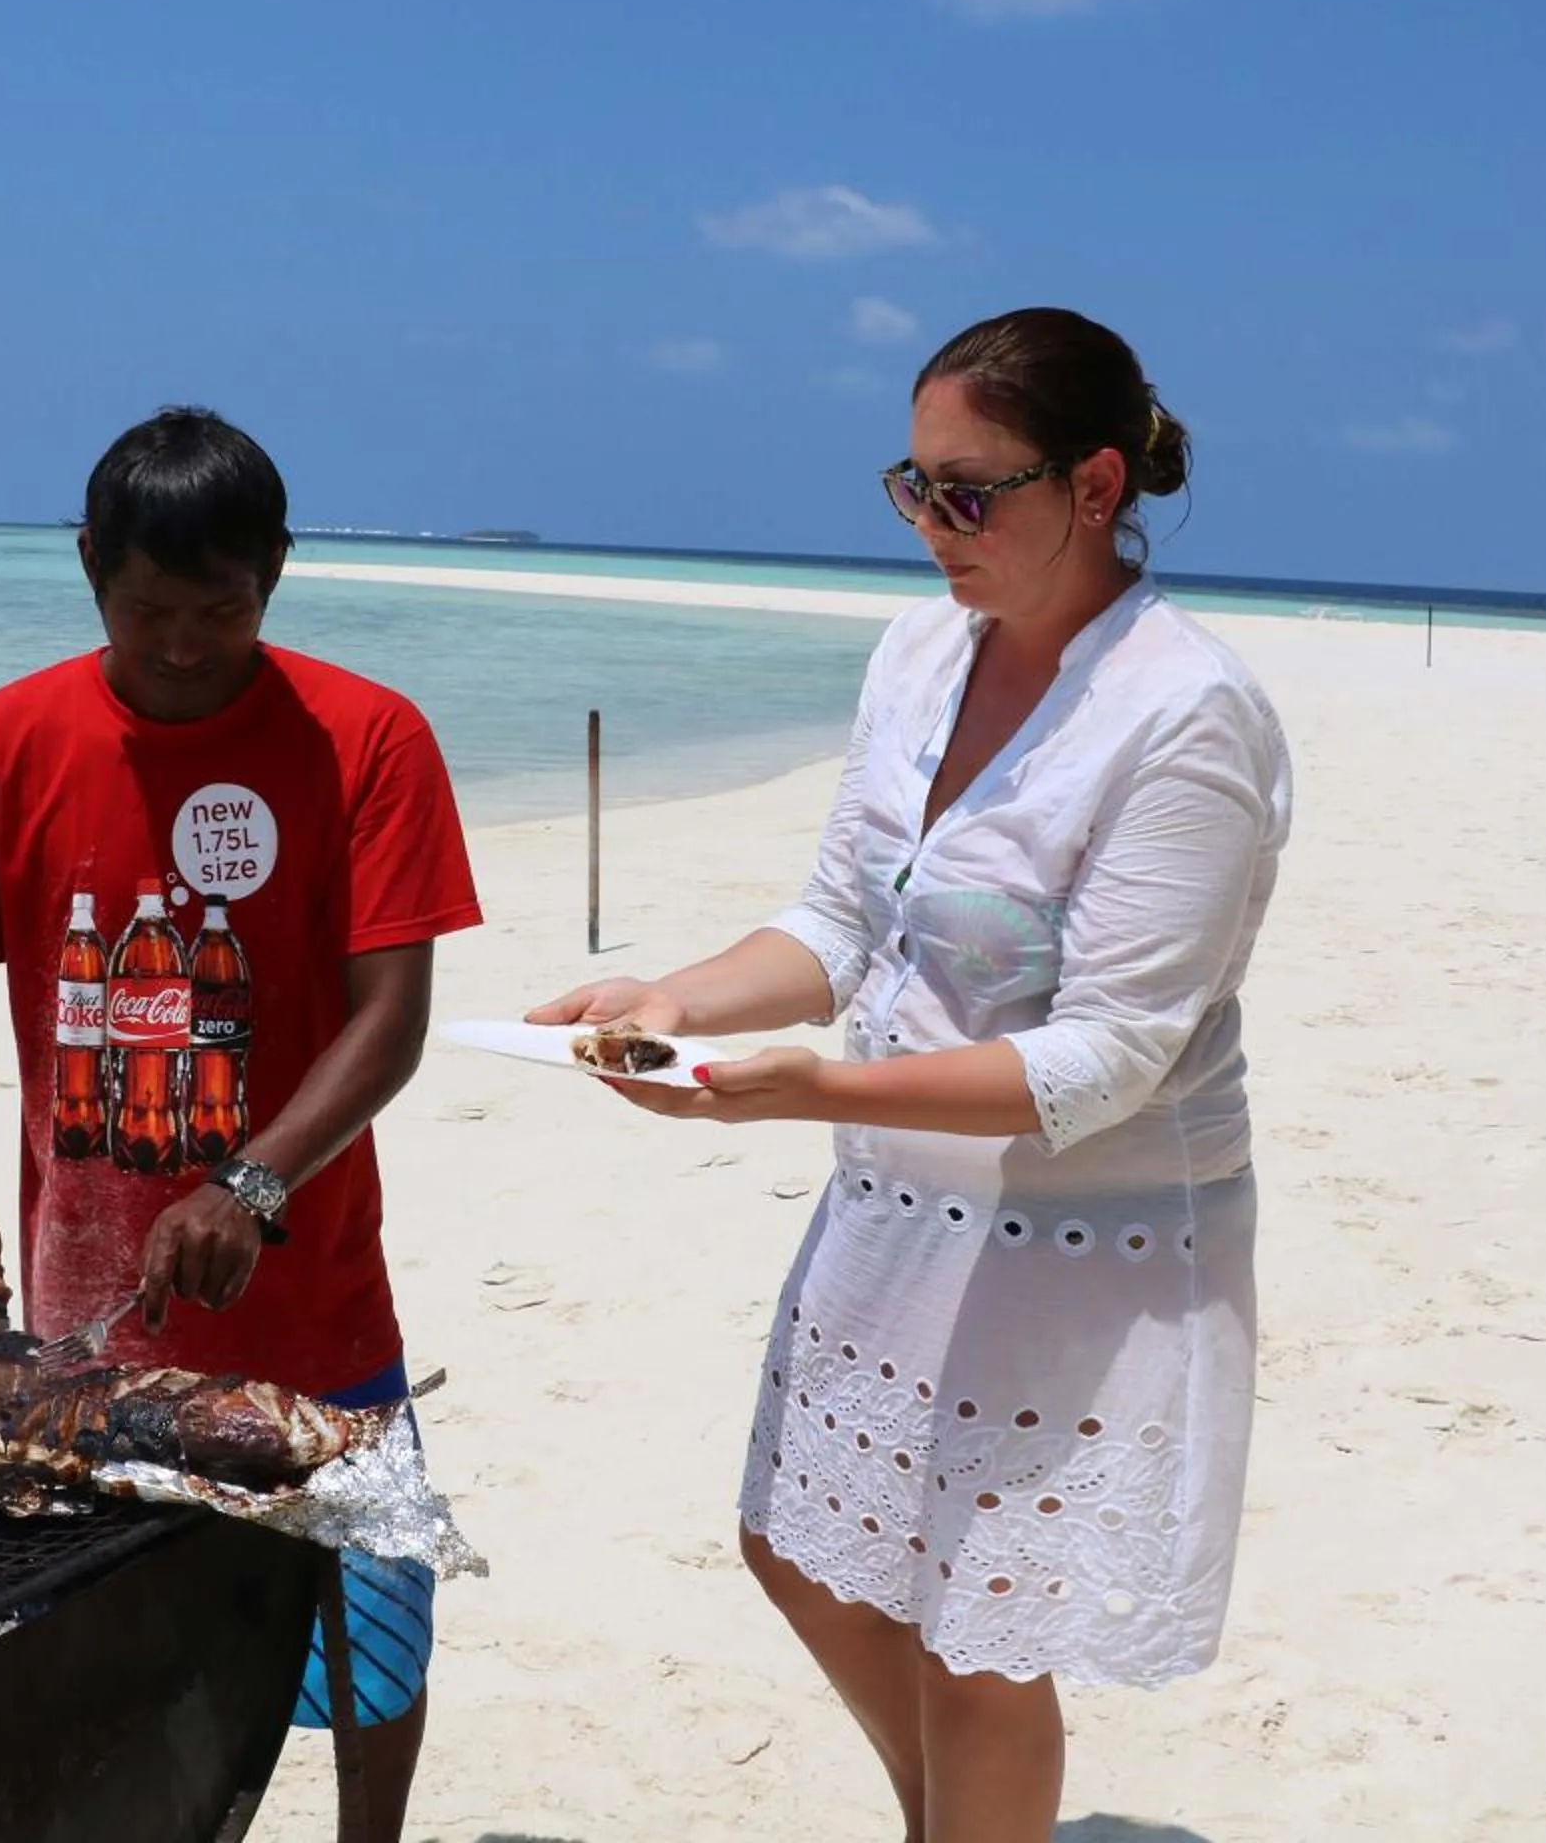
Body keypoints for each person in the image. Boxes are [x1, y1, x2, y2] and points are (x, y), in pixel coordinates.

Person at [531, 309, 1291, 1843]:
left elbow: (1108, 1059)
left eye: (969, 490)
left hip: (1083, 1236)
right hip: (896, 1204)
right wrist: (669, 997)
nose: (933, 524)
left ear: (1092, 486)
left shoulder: (1186, 714)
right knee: (805, 1550)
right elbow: (841, 917)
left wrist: (807, 1087)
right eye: (914, 485)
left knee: (974, 1631)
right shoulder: (921, 652)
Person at [0, 407, 481, 1843]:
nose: (188, 644)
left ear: (279, 569)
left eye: (224, 608)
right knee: (102, 1645)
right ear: (90, 567)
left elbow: (388, 1018)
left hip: (313, 1304)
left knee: (368, 1624)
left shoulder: (369, 740)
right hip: (84, 1322)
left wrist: (254, 1184)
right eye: (151, 610)